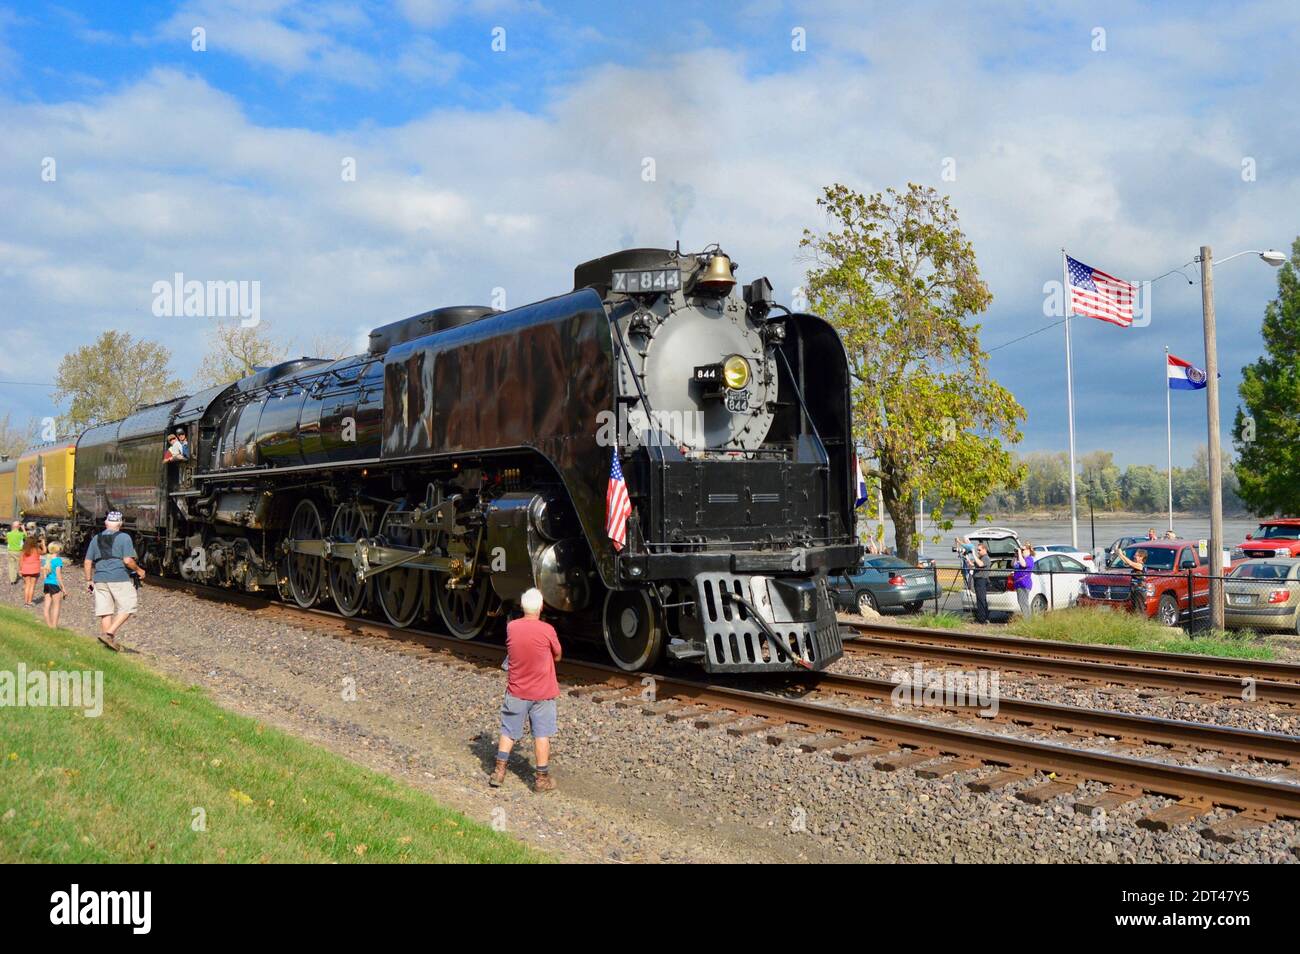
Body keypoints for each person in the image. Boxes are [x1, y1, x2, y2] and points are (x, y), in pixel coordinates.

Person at [490, 587, 561, 793]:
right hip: (543, 693)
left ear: (522, 606)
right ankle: (541, 780)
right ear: (540, 607)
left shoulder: (512, 627)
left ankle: (499, 772)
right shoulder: (547, 630)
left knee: (508, 731)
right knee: (542, 734)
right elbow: (557, 655)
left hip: (517, 690)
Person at [83, 511, 146, 651]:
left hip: (99, 579)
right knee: (129, 605)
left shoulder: (96, 538)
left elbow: (87, 561)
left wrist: (88, 580)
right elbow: (128, 560)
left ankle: (108, 645)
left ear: (106, 523)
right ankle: (109, 635)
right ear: (120, 524)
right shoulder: (124, 537)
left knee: (106, 611)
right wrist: (139, 570)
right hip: (118, 578)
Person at [1114, 547, 1149, 615]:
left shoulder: (1140, 566)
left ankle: (1142, 622)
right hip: (1134, 590)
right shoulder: (1136, 565)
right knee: (1135, 608)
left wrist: (1121, 554)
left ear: (1141, 557)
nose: (1134, 556)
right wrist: (1119, 554)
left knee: (1140, 609)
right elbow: (1126, 562)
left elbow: (1130, 563)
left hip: (1140, 591)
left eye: (1135, 555)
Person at [41, 541, 66, 628]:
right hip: (54, 584)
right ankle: (54, 626)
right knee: (56, 606)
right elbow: (58, 576)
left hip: (47, 584)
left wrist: (47, 581)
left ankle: (49, 625)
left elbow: (44, 575)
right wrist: (63, 588)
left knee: (47, 606)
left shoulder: (47, 560)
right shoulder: (58, 560)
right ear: (58, 550)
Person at [966, 542, 991, 624]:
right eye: (977, 550)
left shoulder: (986, 558)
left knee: (981, 600)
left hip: (982, 580)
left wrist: (973, 554)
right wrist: (966, 557)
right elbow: (973, 564)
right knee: (980, 599)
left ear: (984, 549)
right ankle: (984, 617)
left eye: (979, 550)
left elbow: (980, 564)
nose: (978, 551)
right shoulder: (981, 557)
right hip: (978, 580)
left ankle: (982, 619)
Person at [1013, 541, 1036, 618]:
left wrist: (1019, 553)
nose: (1022, 551)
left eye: (1023, 550)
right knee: (1021, 602)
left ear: (1029, 551)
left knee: (1024, 602)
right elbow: (1013, 564)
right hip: (1018, 584)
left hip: (1024, 584)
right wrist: (1015, 555)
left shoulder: (1029, 559)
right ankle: (1027, 618)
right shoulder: (1021, 559)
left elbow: (1023, 564)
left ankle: (1028, 620)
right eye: (1022, 550)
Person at [19, 536, 42, 606]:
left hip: (25, 569)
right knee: (32, 586)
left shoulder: (24, 550)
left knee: (27, 585)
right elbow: (44, 551)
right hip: (35, 569)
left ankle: (26, 602)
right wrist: (43, 544)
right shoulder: (37, 549)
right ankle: (30, 601)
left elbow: (20, 561)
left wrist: (20, 569)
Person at [5, 521, 24, 585]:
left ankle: (12, 580)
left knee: (11, 565)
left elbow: (7, 541)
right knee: (18, 565)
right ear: (19, 526)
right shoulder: (21, 534)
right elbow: (26, 536)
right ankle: (18, 578)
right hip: (18, 551)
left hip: (10, 551)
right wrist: (23, 529)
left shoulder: (8, 534)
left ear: (13, 526)